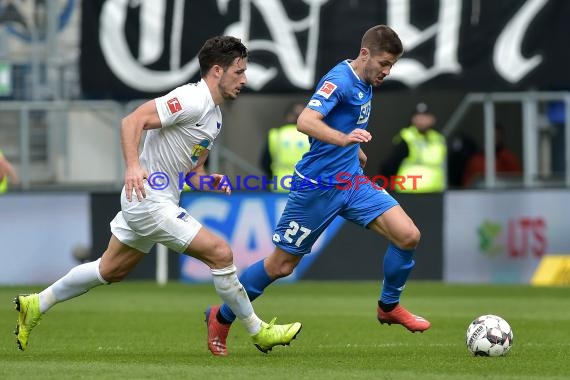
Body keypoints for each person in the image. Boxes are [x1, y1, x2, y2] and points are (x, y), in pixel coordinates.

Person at [14, 36, 301, 354]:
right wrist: (133, 166)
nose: (245, 79)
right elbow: (132, 121)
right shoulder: (189, 100)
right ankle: (257, 331)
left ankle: (37, 303)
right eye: (239, 71)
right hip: (148, 199)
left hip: (157, 200)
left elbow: (192, 170)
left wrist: (206, 181)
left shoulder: (214, 117)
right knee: (221, 253)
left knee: (110, 270)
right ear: (217, 71)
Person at [205, 25, 430, 357]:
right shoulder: (339, 80)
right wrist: (344, 140)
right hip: (316, 188)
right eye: (383, 63)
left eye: (392, 66)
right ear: (365, 54)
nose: (387, 71)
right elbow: (306, 121)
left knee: (408, 235)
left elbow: (343, 123)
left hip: (351, 184)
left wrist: (351, 149)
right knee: (281, 265)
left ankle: (389, 306)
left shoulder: (367, 82)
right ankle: (220, 317)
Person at [380, 102, 447, 193]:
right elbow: (390, 165)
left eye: (425, 116)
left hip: (435, 191)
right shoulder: (406, 137)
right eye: (418, 116)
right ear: (412, 119)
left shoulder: (439, 139)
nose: (422, 120)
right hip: (410, 191)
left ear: (432, 119)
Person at [259, 101, 310, 192]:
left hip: (279, 186)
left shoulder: (276, 135)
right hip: (304, 187)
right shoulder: (312, 136)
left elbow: (264, 162)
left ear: (288, 117)